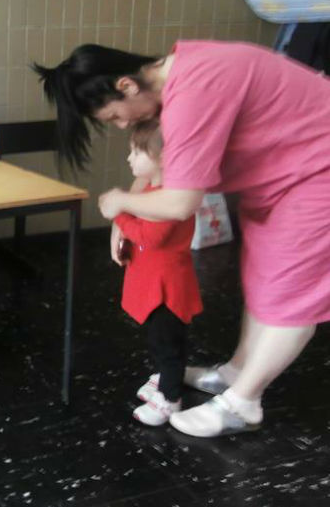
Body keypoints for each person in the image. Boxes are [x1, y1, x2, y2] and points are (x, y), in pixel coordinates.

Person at [34, 40, 330, 437]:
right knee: (264, 279)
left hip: (318, 172)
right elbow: (157, 164)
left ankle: (243, 404)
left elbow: (179, 203)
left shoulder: (193, 93)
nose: (121, 126)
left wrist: (119, 202)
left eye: (115, 116)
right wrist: (128, 212)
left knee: (293, 294)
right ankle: (237, 372)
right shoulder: (174, 75)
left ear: (126, 85)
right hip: (284, 175)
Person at [112, 120, 202, 426]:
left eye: (136, 152)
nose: (129, 159)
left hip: (167, 290)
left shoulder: (169, 197)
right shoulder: (153, 191)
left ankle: (170, 398)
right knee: (160, 340)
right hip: (155, 284)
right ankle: (166, 378)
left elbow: (151, 237)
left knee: (168, 344)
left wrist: (120, 215)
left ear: (163, 158)